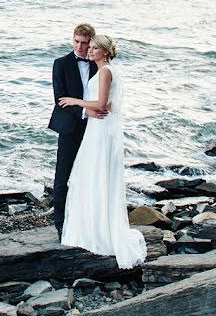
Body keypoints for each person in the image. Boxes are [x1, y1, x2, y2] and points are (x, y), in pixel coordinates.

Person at [57, 35, 147, 269]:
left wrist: (75, 102)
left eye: (95, 48)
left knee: (96, 175)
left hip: (101, 129)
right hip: (99, 127)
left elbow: (101, 104)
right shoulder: (106, 70)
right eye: (90, 47)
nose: (89, 50)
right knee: (95, 176)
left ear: (105, 52)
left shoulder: (105, 71)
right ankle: (96, 225)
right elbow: (105, 105)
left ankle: (99, 231)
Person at [48, 23, 103, 240]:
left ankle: (89, 222)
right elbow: (59, 98)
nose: (80, 47)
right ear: (73, 40)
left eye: (85, 43)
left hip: (96, 127)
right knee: (62, 178)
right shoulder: (60, 64)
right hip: (70, 127)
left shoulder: (99, 65)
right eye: (77, 42)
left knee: (91, 175)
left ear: (92, 42)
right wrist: (85, 112)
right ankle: (61, 226)